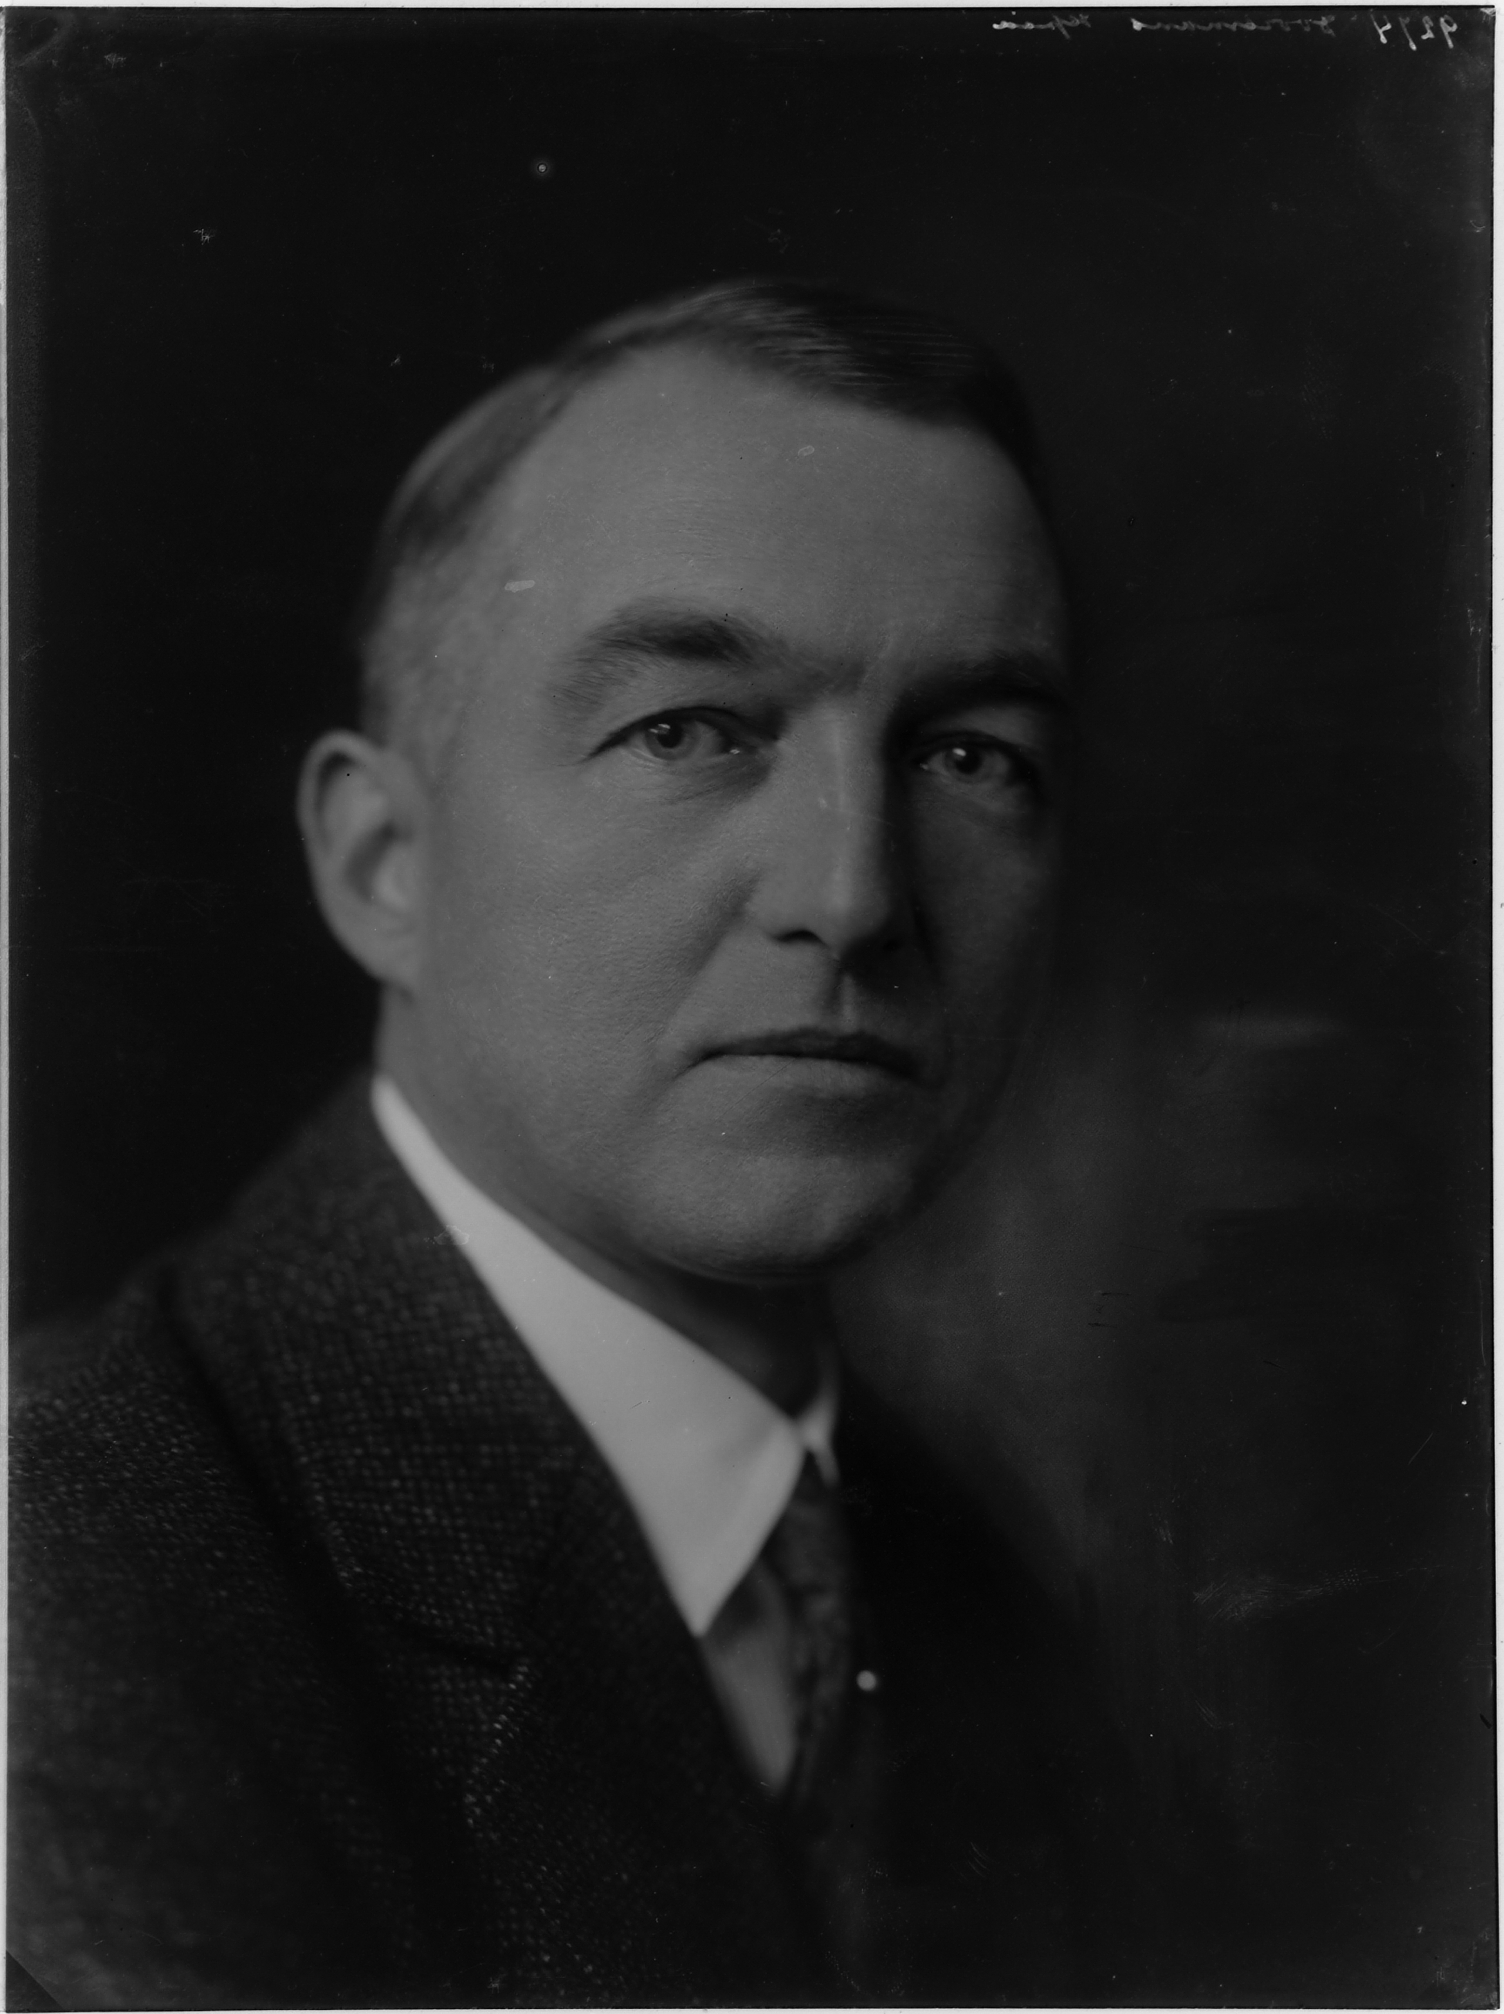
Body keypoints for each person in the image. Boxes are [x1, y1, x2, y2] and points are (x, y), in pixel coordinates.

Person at [10, 279, 1151, 2009]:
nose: (854, 894)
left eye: (971, 755)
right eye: (689, 730)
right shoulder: (67, 1577)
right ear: (384, 864)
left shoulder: (982, 1596)